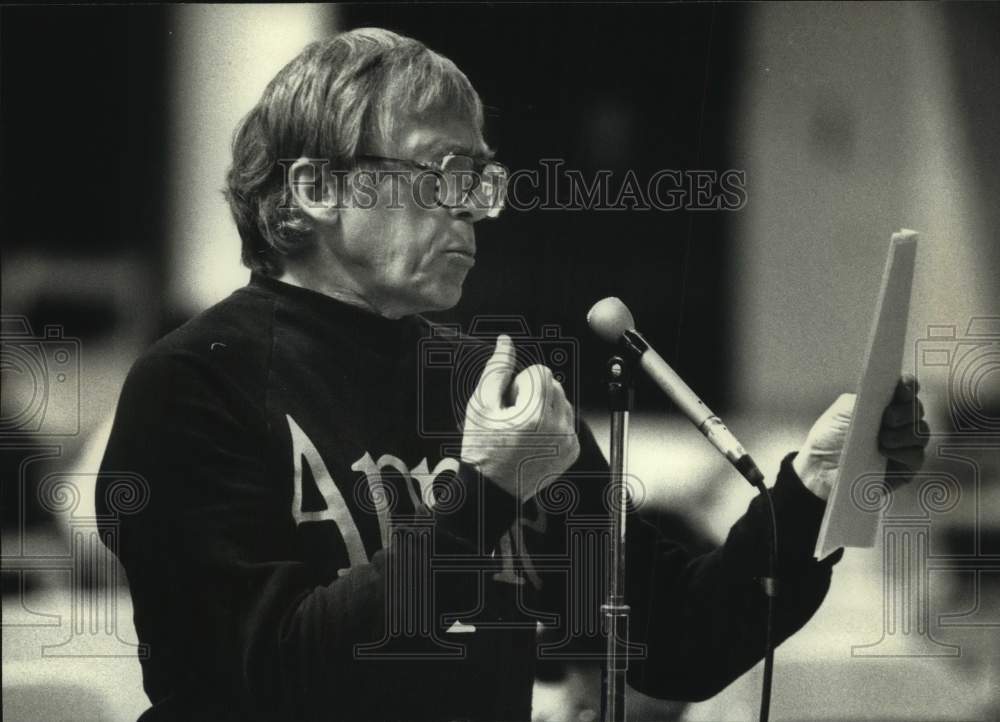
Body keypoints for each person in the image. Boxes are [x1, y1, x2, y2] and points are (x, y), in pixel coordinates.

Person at [97, 28, 929, 722]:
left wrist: (818, 487)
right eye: (440, 173)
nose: (471, 204)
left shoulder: (486, 382)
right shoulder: (193, 384)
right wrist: (485, 494)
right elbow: (265, 684)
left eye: (480, 179)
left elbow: (678, 642)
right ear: (313, 188)